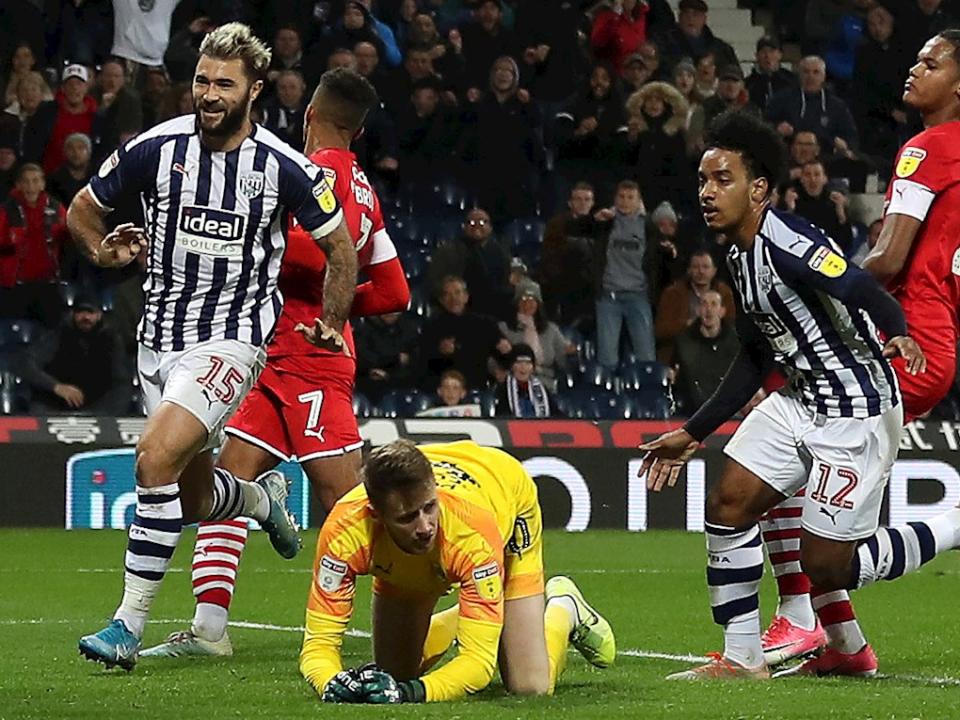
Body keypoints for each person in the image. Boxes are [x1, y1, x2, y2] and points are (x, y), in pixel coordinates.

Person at [69, 23, 356, 671]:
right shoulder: (155, 147)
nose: (209, 93)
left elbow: (341, 250)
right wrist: (101, 249)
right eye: (202, 80)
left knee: (153, 459)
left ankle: (126, 626)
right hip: (158, 343)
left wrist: (332, 320)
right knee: (192, 499)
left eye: (224, 83)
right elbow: (82, 209)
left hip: (233, 341)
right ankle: (259, 499)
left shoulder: (285, 167)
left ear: (254, 90)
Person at [639, 110, 960, 681]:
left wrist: (899, 331)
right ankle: (743, 660)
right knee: (728, 504)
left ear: (758, 189)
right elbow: (754, 355)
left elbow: (858, 284)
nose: (707, 193)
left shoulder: (788, 242)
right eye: (703, 180)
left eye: (723, 179)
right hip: (800, 400)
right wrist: (692, 432)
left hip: (855, 410)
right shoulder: (738, 254)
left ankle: (954, 525)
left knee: (828, 566)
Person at [140, 67, 410, 659]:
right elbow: (394, 291)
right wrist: (336, 307)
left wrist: (267, 272)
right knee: (227, 481)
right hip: (272, 355)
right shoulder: (365, 188)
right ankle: (209, 629)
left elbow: (315, 253)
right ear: (359, 131)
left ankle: (430, 598)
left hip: (308, 360)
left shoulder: (317, 173)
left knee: (349, 504)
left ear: (310, 113)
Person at [757, 30, 960, 677]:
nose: (914, 68)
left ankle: (802, 616)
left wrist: (813, 284)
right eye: (916, 58)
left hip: (904, 337)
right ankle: (843, 645)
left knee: (775, 454)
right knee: (784, 459)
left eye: (931, 63)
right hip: (933, 339)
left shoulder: (928, 148)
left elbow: (888, 259)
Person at [300, 439, 615, 702]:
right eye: (407, 517)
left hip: (504, 488)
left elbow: (477, 665)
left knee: (529, 686)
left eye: (429, 507)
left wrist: (411, 693)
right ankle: (474, 611)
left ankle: (564, 608)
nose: (425, 526)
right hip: (407, 550)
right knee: (394, 673)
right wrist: (330, 683)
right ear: (375, 514)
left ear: (434, 491)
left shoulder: (472, 534)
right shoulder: (344, 534)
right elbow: (318, 647)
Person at [22, 290, 129, 415]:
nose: (85, 317)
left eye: (90, 312)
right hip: (54, 404)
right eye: (80, 312)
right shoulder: (59, 334)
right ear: (73, 314)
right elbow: (26, 364)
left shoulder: (111, 340)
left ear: (99, 315)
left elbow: (121, 381)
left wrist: (105, 413)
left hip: (96, 406)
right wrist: (56, 387)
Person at [0, 163, 68, 326]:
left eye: (35, 181)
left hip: (48, 282)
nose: (31, 187)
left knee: (51, 330)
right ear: (18, 185)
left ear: (43, 184)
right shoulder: (6, 211)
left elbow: (68, 237)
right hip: (15, 285)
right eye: (26, 181)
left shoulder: (56, 209)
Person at [419, 275, 508, 391]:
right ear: (441, 300)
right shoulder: (431, 327)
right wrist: (440, 352)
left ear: (466, 297)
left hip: (477, 388)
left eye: (457, 293)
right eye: (447, 294)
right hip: (445, 391)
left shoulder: (485, 323)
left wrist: (505, 351)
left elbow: (503, 354)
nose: (453, 298)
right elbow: (422, 362)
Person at [428, 207, 512, 319]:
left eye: (482, 222)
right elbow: (437, 283)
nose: (476, 226)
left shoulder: (501, 251)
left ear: (490, 227)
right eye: (471, 222)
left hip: (495, 309)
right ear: (464, 227)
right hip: (460, 311)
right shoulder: (448, 252)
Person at [654, 249, 734, 363]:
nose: (701, 271)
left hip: (717, 352)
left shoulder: (724, 292)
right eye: (696, 267)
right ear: (689, 270)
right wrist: (687, 324)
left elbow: (731, 325)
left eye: (705, 267)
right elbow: (660, 331)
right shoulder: (673, 293)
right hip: (681, 355)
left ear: (714, 271)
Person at [497, 279, 575, 393]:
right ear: (516, 303)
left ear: (538, 304)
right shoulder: (504, 328)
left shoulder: (551, 329)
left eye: (532, 299)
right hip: (513, 384)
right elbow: (494, 359)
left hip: (546, 384)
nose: (528, 303)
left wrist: (569, 353)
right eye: (524, 299)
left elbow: (562, 363)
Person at [669, 289, 739, 413]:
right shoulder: (684, 342)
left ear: (722, 311)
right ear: (698, 310)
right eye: (704, 304)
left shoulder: (735, 341)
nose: (708, 309)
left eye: (713, 304)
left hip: (730, 408)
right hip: (693, 410)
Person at [23, 64, 97, 175]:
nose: (74, 88)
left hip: (86, 180)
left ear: (86, 87)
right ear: (63, 88)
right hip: (48, 177)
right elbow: (32, 146)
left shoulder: (96, 117)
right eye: (70, 84)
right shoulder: (45, 113)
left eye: (79, 83)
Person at [781, 160, 853, 254]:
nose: (813, 179)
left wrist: (841, 214)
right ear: (801, 179)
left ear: (825, 179)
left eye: (817, 174)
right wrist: (790, 210)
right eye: (808, 175)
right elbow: (783, 238)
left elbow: (846, 244)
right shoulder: (793, 200)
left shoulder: (834, 203)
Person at [659, 0, 737, 72]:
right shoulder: (664, 45)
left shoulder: (721, 49)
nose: (690, 18)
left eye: (695, 14)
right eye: (686, 14)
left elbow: (733, 75)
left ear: (704, 19)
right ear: (679, 17)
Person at [494, 342, 558, 417]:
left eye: (528, 363)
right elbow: (501, 416)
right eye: (519, 362)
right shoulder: (504, 389)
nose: (523, 367)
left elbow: (555, 413)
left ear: (533, 368)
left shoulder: (541, 389)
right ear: (511, 366)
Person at [745, 36, 798, 112]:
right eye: (763, 52)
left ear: (780, 55)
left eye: (772, 51)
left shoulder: (791, 81)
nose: (767, 56)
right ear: (757, 56)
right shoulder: (749, 84)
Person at [48, 133, 93, 206]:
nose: (76, 152)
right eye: (71, 148)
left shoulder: (98, 176)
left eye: (80, 148)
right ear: (65, 152)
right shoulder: (55, 179)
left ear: (89, 152)